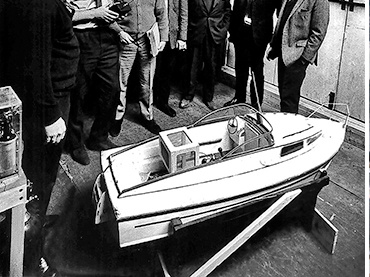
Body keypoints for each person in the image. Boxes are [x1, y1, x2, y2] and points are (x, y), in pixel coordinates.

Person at [0, 0, 79, 275]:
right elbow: (35, 62)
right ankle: (30, 263)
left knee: (32, 184)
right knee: (37, 185)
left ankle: (26, 243)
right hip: (45, 105)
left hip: (34, 99)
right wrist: (49, 115)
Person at [66, 0, 121, 165]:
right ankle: (75, 145)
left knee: (112, 90)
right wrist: (94, 13)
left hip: (107, 35)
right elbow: (62, 15)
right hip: (81, 36)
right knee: (78, 94)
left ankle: (98, 137)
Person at [108, 0, 169, 136]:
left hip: (147, 40)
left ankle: (147, 117)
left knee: (147, 83)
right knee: (120, 82)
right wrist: (119, 32)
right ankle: (117, 118)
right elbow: (107, 13)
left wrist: (163, 37)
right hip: (125, 40)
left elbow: (161, 13)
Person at [266, 0, 330, 113]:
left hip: (298, 56)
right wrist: (273, 46)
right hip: (283, 53)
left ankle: (289, 129)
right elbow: (282, 21)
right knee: (283, 94)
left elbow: (319, 32)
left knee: (289, 99)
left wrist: (304, 58)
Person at [223, 0, 278, 110]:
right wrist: (232, 30)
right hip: (240, 32)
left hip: (259, 35)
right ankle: (239, 98)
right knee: (240, 67)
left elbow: (279, 11)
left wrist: (273, 40)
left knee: (256, 70)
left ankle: (256, 104)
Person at [179, 0, 231, 111]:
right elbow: (186, 10)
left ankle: (208, 98)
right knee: (192, 67)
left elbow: (227, 11)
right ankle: (188, 96)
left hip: (215, 34)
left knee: (211, 68)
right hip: (196, 31)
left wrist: (223, 30)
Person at [152, 0, 188, 118]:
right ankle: (149, 100)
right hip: (153, 35)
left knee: (166, 72)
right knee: (150, 71)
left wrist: (182, 37)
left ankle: (162, 102)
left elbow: (183, 13)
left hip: (171, 37)